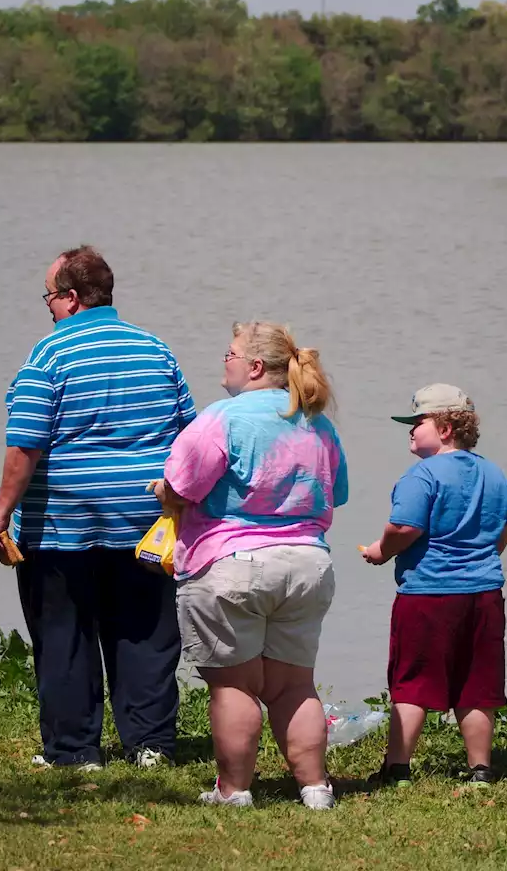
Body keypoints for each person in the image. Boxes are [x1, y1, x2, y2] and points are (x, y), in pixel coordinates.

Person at [0, 245, 196, 770]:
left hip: (62, 528)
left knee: (64, 636)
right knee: (145, 632)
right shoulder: (156, 350)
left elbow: (25, 443)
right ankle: (150, 746)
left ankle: (75, 751)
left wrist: (0, 513)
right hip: (144, 524)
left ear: (72, 298)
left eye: (50, 298)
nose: (48, 309)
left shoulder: (49, 355)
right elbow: (189, 436)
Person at [154, 322, 348, 810]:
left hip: (232, 565)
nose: (225, 361)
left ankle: (234, 790)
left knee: (233, 685)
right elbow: (337, 493)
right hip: (307, 564)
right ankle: (315, 788)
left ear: (255, 367)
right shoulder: (318, 424)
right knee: (293, 685)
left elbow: (181, 486)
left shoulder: (223, 417)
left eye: (230, 353)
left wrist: (163, 494)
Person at [360, 384, 507, 788]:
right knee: (476, 683)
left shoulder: (422, 475)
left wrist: (382, 551)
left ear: (446, 428)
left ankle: (397, 768)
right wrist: (480, 557)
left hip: (428, 594)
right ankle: (480, 769)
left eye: (418, 422)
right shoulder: (494, 473)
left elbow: (404, 526)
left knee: (411, 680)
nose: (410, 430)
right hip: (484, 593)